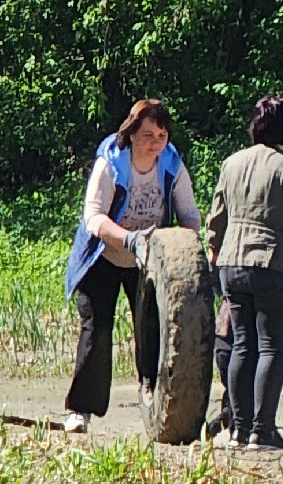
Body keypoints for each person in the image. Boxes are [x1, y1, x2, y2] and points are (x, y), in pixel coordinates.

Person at [60, 99, 201, 434]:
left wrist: (191, 246)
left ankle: (156, 400)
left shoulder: (170, 163)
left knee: (152, 329)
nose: (155, 142)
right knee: (98, 329)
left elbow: (189, 214)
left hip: (149, 258)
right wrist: (128, 239)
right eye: (148, 134)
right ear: (132, 134)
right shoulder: (111, 162)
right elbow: (93, 217)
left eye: (162, 135)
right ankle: (81, 410)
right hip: (104, 255)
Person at [205, 96, 283, 449]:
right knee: (272, 348)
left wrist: (218, 260)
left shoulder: (231, 164)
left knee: (243, 344)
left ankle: (238, 431)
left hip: (232, 265)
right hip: (274, 266)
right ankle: (263, 430)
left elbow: (215, 223)